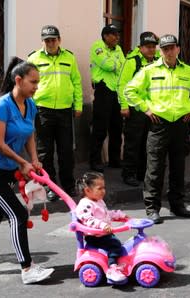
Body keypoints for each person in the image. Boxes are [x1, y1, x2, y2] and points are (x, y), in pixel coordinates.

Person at [0, 58, 55, 284]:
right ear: (18, 80)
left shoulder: (30, 104)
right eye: (33, 82)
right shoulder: (2, 105)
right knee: (18, 214)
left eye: (38, 82)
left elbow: (30, 134)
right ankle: (27, 269)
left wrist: (33, 159)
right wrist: (22, 163)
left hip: (7, 171)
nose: (36, 87)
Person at [124, 34, 190, 224]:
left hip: (180, 124)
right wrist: (145, 108)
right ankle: (152, 208)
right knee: (154, 168)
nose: (169, 52)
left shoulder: (188, 71)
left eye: (172, 48)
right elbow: (129, 90)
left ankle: (177, 205)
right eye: (165, 49)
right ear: (160, 51)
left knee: (178, 167)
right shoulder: (149, 70)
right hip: (159, 125)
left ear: (178, 49)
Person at [27, 25, 83, 201]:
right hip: (42, 109)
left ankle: (68, 185)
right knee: (45, 152)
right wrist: (29, 106)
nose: (50, 43)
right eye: (47, 40)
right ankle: (49, 186)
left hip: (65, 110)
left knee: (66, 150)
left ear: (59, 40)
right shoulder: (33, 58)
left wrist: (79, 104)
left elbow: (76, 81)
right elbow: (28, 84)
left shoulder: (69, 57)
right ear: (42, 41)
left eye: (53, 39)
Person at [118, 31, 159, 187]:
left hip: (153, 109)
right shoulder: (132, 61)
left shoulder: (157, 62)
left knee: (149, 144)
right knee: (133, 143)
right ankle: (128, 174)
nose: (151, 50)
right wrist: (124, 106)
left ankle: (143, 173)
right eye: (148, 47)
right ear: (141, 47)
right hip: (135, 109)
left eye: (153, 47)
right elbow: (122, 84)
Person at [75, 172, 129, 283]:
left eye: (104, 188)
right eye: (100, 188)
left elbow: (106, 214)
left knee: (117, 243)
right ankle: (112, 268)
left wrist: (120, 215)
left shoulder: (98, 201)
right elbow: (88, 220)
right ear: (87, 190)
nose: (103, 191)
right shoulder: (85, 204)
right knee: (115, 246)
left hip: (104, 234)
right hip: (96, 237)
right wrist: (102, 225)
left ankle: (116, 261)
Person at [89, 24, 125, 173]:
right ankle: (95, 161)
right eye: (113, 34)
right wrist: (117, 63)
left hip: (117, 91)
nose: (117, 37)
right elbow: (109, 65)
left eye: (118, 34)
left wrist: (116, 63)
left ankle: (115, 159)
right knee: (100, 128)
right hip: (103, 90)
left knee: (117, 128)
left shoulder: (118, 49)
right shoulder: (97, 46)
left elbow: (124, 67)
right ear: (105, 36)